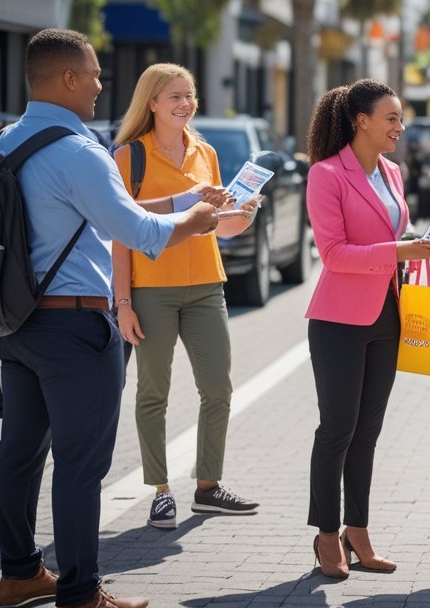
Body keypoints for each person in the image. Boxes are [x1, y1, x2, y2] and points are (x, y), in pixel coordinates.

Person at [0, 29, 218, 608]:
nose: (100, 84)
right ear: (67, 78)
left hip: (17, 324)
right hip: (75, 329)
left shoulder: (6, 141)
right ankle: (82, 591)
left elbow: (107, 208)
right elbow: (136, 233)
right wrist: (191, 221)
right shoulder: (79, 150)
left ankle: (19, 574)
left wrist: (176, 203)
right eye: (93, 74)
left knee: (18, 454)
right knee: (80, 463)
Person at [303, 79, 430, 580]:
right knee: (337, 430)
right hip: (338, 320)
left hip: (388, 314)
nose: (399, 127)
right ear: (361, 121)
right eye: (391, 118)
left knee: (367, 432)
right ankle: (326, 535)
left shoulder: (392, 171)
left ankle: (357, 531)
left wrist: (420, 244)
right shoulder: (325, 175)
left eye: (400, 118)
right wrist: (402, 250)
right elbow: (334, 254)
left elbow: (388, 235)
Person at [111, 63, 262, 530]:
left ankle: (207, 488)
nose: (184, 104)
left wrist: (245, 215)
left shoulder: (206, 152)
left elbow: (219, 224)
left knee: (218, 388)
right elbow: (121, 232)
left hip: (206, 286)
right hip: (150, 289)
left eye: (189, 95)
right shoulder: (128, 157)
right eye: (174, 96)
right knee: (153, 392)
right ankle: (160, 491)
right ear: (151, 102)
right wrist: (123, 303)